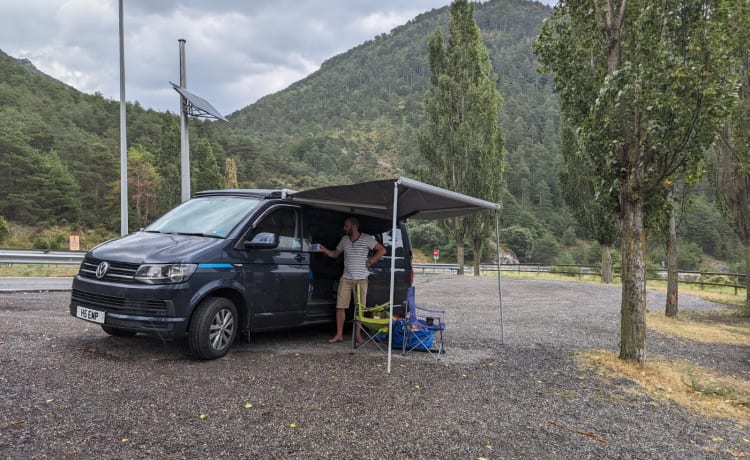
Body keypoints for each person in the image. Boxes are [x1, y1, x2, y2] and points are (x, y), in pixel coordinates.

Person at [318, 216, 386, 344]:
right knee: (340, 307)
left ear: (354, 226)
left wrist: (371, 261)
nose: (344, 228)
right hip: (346, 278)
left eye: (346, 226)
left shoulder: (366, 238)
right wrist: (324, 250)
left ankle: (358, 335)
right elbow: (334, 254)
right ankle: (339, 335)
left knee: (359, 308)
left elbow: (382, 250)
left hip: (361, 278)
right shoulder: (344, 240)